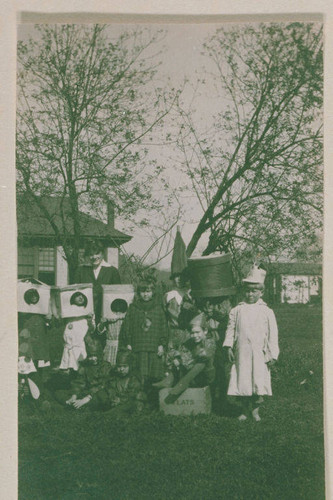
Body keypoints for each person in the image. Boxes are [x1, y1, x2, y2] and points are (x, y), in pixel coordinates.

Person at [223, 264, 279, 422]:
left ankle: (255, 411)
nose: (250, 294)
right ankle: (243, 410)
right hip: (242, 353)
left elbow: (273, 334)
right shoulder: (237, 310)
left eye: (254, 291)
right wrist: (228, 346)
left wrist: (272, 353)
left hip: (259, 354)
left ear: (261, 292)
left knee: (257, 381)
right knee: (243, 381)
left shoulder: (266, 311)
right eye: (247, 290)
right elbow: (231, 329)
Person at [119, 271, 168, 390]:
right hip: (138, 346)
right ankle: (139, 399)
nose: (145, 294)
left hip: (153, 346)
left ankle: (153, 401)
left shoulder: (158, 308)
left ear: (152, 292)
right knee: (139, 374)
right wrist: (129, 342)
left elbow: (163, 327)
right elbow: (127, 326)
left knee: (154, 374)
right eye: (143, 291)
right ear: (139, 293)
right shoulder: (133, 308)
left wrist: (161, 344)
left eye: (148, 291)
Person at [156, 313, 216, 404]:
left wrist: (187, 360)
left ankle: (182, 384)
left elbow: (205, 354)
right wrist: (178, 359)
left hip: (207, 376)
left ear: (205, 331)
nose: (195, 336)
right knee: (179, 359)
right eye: (192, 333)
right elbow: (181, 352)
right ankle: (169, 380)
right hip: (193, 375)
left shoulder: (209, 342)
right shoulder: (190, 342)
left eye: (197, 332)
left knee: (201, 362)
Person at [55, 335, 113, 411]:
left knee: (102, 398)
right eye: (90, 356)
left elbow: (103, 385)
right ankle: (72, 402)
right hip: (86, 391)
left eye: (95, 356)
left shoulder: (106, 366)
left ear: (100, 355)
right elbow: (79, 383)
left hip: (97, 393)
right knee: (58, 393)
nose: (93, 359)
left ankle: (81, 406)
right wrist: (74, 395)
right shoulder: (85, 366)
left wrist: (87, 398)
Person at [73, 240, 121, 327]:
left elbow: (117, 296)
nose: (94, 257)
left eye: (97, 253)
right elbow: (75, 293)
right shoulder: (80, 271)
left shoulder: (112, 271)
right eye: (91, 254)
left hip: (106, 317)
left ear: (102, 253)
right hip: (84, 316)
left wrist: (113, 314)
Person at [18, 287, 51, 385]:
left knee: (38, 363)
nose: (34, 298)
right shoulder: (23, 310)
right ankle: (25, 385)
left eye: (35, 296)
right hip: (27, 340)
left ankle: (38, 386)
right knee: (26, 362)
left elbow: (50, 325)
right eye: (31, 296)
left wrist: (48, 318)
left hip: (39, 342)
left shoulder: (42, 310)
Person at [59, 291, 94, 372]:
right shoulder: (68, 310)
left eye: (82, 296)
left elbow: (92, 329)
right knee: (71, 367)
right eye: (78, 296)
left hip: (82, 343)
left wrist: (89, 319)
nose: (80, 298)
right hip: (71, 343)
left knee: (82, 366)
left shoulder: (88, 311)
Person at [97, 298, 128, 366]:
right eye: (115, 311)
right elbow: (99, 330)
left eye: (120, 312)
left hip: (122, 346)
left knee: (121, 363)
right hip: (110, 346)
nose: (117, 314)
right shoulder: (108, 319)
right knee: (109, 365)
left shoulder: (126, 319)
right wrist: (102, 322)